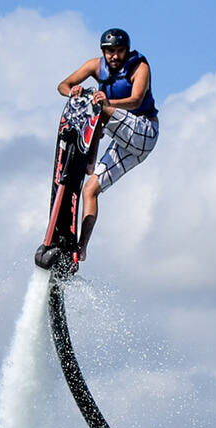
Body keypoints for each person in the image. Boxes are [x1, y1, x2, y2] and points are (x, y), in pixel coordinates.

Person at [57, 28, 159, 261]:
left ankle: (88, 163)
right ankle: (81, 249)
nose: (115, 56)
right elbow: (62, 85)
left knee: (99, 110)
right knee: (89, 190)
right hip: (126, 143)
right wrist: (73, 92)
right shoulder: (95, 65)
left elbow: (136, 101)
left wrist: (108, 102)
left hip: (145, 132)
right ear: (103, 51)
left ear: (127, 51)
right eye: (110, 51)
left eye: (120, 51)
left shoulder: (140, 67)